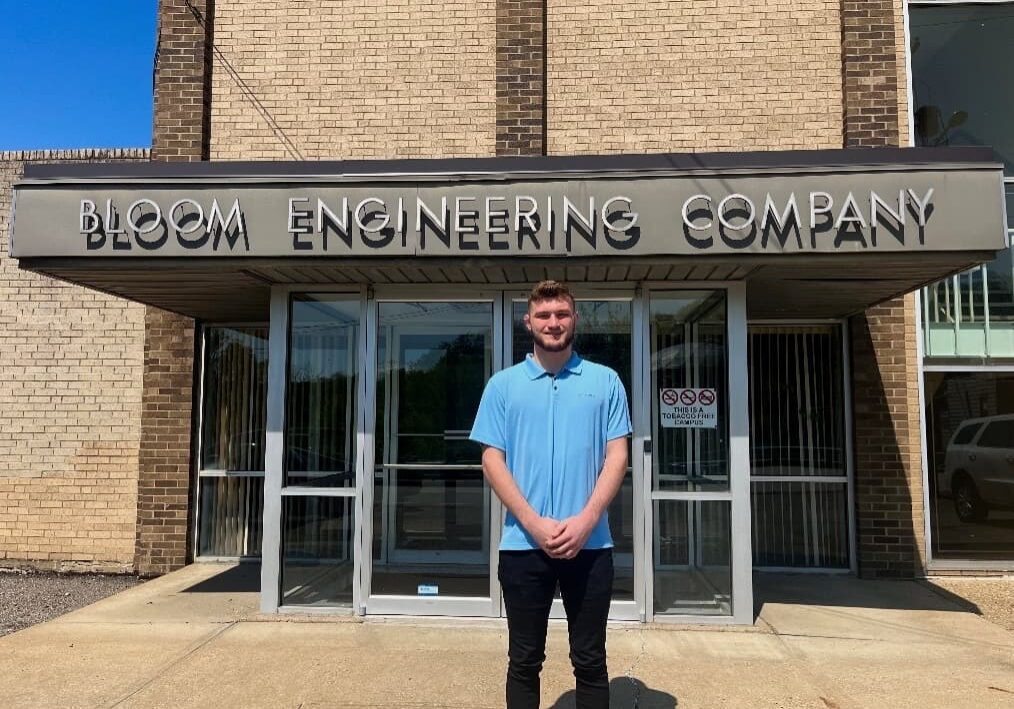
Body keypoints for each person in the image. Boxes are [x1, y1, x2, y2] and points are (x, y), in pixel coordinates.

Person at [470, 280, 632, 709]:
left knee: (591, 662)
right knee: (524, 661)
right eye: (544, 315)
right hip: (524, 546)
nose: (553, 323)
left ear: (574, 319)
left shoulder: (606, 382)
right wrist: (534, 523)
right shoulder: (502, 386)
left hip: (591, 545)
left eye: (561, 314)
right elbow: (492, 460)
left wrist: (585, 521)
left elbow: (617, 458)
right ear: (528, 322)